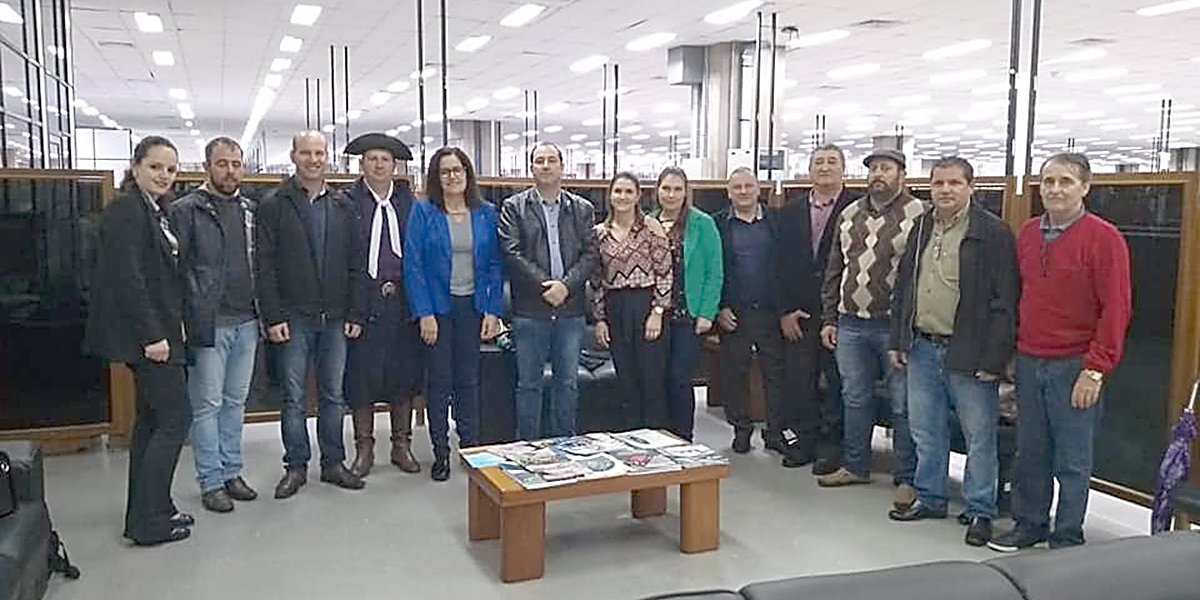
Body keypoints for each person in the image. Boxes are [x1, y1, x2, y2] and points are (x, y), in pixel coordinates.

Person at [990, 153, 1132, 552]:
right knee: (1031, 451)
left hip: (1076, 365)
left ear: (1085, 187)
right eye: (1049, 181)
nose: (1055, 189)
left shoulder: (1104, 239)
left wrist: (1096, 369)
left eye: (1066, 181)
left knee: (1072, 459)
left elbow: (1116, 309)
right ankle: (1029, 524)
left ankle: (1068, 536)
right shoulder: (1028, 233)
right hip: (1030, 360)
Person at [887, 157, 1019, 547]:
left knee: (979, 436)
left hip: (970, 352)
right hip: (922, 346)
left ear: (971, 187)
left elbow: (1005, 301)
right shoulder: (922, 226)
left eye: (955, 183)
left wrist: (994, 360)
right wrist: (899, 339)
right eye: (939, 183)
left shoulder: (992, 232)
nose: (946, 190)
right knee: (926, 430)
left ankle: (980, 510)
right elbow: (904, 287)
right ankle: (931, 497)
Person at [85, 135, 193, 545]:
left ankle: (152, 511)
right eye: (155, 167)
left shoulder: (156, 210)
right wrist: (153, 335)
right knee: (175, 418)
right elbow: (128, 279)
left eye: (170, 169)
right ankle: (149, 522)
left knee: (151, 422)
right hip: (148, 339)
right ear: (135, 168)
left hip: (162, 331)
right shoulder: (127, 211)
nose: (164, 175)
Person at [256, 130, 366, 499]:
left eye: (319, 153)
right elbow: (265, 266)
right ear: (293, 156)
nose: (314, 160)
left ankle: (333, 463)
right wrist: (273, 317)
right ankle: (296, 466)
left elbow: (356, 264)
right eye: (306, 153)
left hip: (336, 316)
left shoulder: (343, 205)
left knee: (334, 395)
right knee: (293, 397)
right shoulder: (274, 204)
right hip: (293, 317)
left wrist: (356, 312)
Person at [817, 149, 924, 513]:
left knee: (902, 403)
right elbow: (835, 268)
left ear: (901, 175)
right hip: (850, 322)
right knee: (855, 397)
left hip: (893, 325)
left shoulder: (919, 214)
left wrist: (906, 329)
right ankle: (856, 465)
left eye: (886, 168)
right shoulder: (850, 213)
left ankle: (907, 477)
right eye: (873, 168)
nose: (878, 174)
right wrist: (829, 317)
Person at [169, 137, 259, 513]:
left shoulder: (250, 210)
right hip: (208, 322)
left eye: (236, 164)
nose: (230, 171)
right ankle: (211, 481)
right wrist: (181, 319)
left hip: (248, 319)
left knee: (235, 402)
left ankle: (232, 471)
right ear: (207, 166)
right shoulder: (185, 210)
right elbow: (175, 270)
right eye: (222, 163)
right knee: (207, 404)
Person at [404, 147, 503, 481]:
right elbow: (413, 265)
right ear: (436, 177)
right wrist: (424, 313)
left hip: (472, 307)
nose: (452, 176)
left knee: (468, 380)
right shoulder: (423, 211)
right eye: (445, 171)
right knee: (440, 381)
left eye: (458, 169)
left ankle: (471, 447)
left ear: (467, 173)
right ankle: (441, 453)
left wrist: (492, 309)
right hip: (437, 309)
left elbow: (494, 265)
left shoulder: (486, 213)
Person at [498, 142, 599, 439]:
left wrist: (565, 286)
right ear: (531, 168)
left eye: (551, 160)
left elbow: (591, 254)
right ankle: (527, 451)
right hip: (530, 311)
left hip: (570, 310)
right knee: (529, 385)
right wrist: (546, 286)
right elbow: (511, 252)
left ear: (562, 167)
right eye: (539, 160)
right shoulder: (514, 207)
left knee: (567, 383)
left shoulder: (582, 209)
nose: (545, 165)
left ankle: (563, 447)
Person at [341, 133, 425, 477]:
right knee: (361, 377)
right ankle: (364, 448)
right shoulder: (347, 203)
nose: (379, 165)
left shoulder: (410, 204)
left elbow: (420, 254)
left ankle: (401, 445)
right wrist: (352, 308)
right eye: (372, 159)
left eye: (385, 160)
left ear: (395, 166)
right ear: (362, 164)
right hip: (363, 303)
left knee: (402, 374)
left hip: (403, 301)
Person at [774, 144, 858, 471]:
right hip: (800, 313)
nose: (825, 167)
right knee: (800, 381)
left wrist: (835, 313)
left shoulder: (858, 208)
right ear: (809, 170)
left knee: (837, 382)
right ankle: (803, 443)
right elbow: (777, 264)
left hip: (842, 313)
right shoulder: (789, 212)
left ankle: (832, 447)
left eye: (832, 162)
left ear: (843, 169)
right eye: (818, 162)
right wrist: (784, 311)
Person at [592, 172, 673, 431]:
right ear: (610, 196)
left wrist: (657, 311)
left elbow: (665, 272)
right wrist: (600, 319)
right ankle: (631, 438)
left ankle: (656, 438)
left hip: (646, 305)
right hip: (615, 307)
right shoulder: (599, 234)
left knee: (651, 379)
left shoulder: (651, 228)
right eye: (618, 191)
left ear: (638, 196)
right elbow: (597, 281)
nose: (623, 197)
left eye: (629, 191)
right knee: (626, 380)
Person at [715, 167, 786, 454]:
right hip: (735, 313)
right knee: (735, 375)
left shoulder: (778, 221)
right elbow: (712, 269)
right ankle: (741, 430)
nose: (743, 191)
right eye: (737, 187)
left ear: (759, 189)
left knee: (776, 375)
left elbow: (789, 265)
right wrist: (719, 307)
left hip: (772, 313)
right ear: (728, 192)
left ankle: (775, 432)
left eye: (748, 186)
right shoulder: (717, 224)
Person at [652, 167, 723, 441]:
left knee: (680, 379)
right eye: (666, 188)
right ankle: (661, 438)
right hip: (655, 316)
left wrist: (707, 312)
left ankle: (683, 439)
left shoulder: (702, 223)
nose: (671, 195)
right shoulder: (648, 222)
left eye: (677, 189)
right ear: (657, 191)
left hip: (689, 315)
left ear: (686, 192)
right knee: (658, 379)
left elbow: (714, 271)